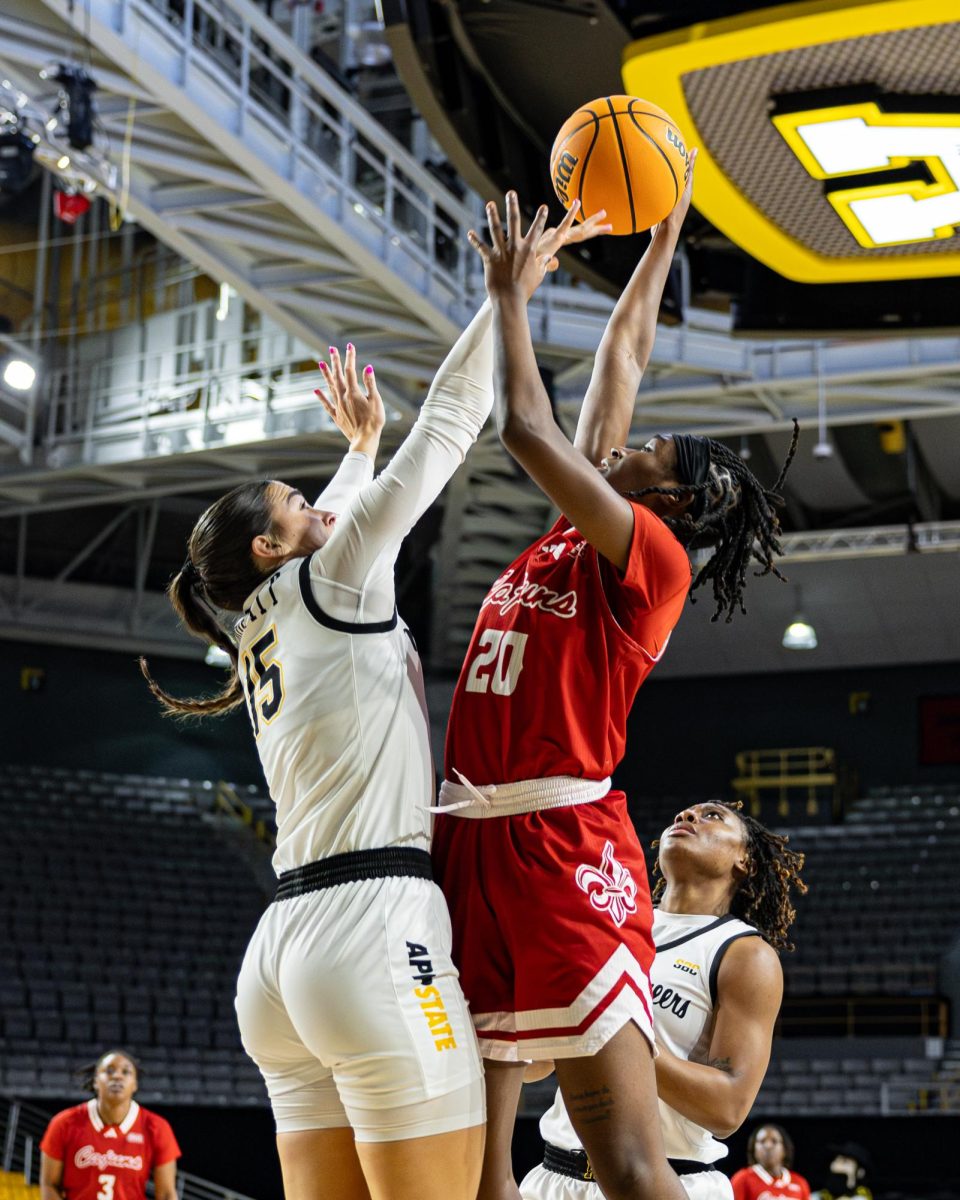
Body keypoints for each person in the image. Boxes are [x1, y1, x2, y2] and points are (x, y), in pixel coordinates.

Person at [139, 208, 603, 1200]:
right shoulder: (334, 578)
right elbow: (450, 424)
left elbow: (338, 529)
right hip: (373, 932)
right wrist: (505, 298)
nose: (318, 501)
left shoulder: (259, 615)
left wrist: (358, 447)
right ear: (272, 544)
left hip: (284, 961)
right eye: (296, 502)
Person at [432, 156, 801, 1200]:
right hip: (473, 830)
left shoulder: (652, 560)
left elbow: (524, 428)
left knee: (631, 1163)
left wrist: (508, 298)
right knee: (477, 1159)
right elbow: (623, 360)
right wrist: (663, 233)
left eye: (655, 455)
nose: (632, 443)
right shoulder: (579, 528)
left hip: (560, 841)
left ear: (674, 507)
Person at [519, 801, 806, 1200]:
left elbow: (727, 1109)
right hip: (554, 1176)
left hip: (672, 1180)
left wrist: (625, 1043)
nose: (687, 817)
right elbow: (544, 1062)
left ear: (746, 861)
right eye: (685, 814)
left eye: (712, 816)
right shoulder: (615, 923)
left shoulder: (742, 953)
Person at [40, 1050, 180, 1200]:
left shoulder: (157, 1127)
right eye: (109, 1071)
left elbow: (166, 1194)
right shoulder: (64, 1123)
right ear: (95, 1081)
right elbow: (49, 1184)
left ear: (135, 1084)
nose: (117, 1076)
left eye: (126, 1072)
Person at [731, 1125, 811, 1200]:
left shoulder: (800, 1183)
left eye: (774, 1141)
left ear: (784, 1149)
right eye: (762, 1141)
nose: (768, 1146)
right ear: (754, 1149)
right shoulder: (742, 1179)